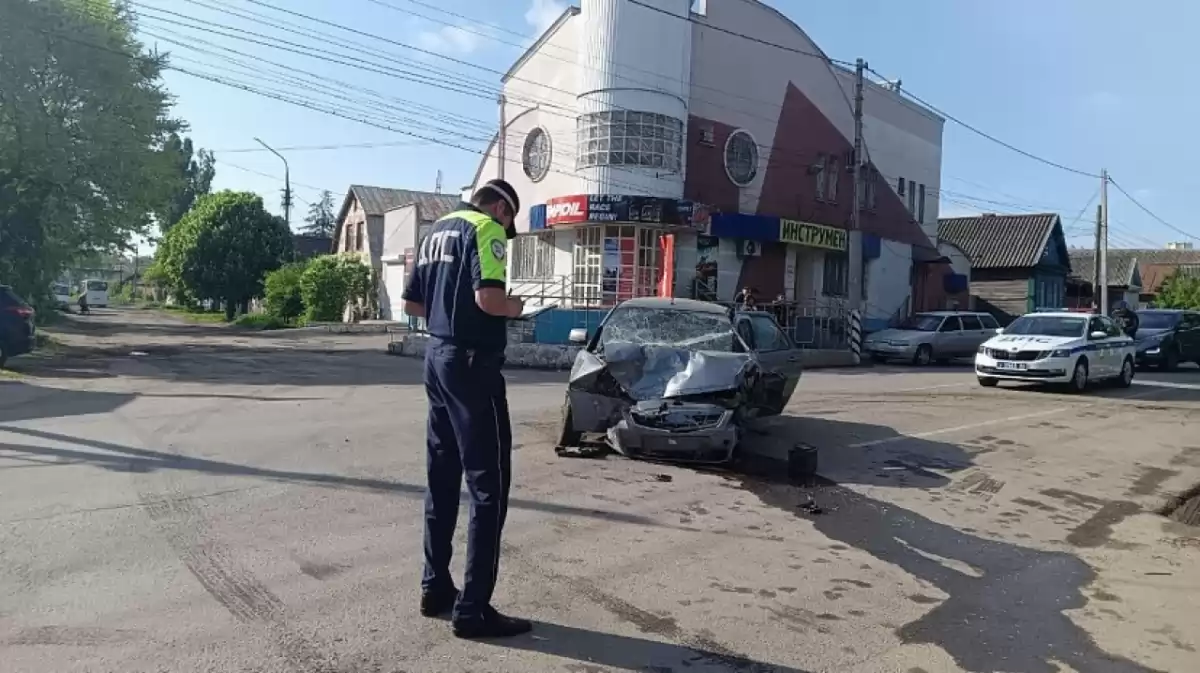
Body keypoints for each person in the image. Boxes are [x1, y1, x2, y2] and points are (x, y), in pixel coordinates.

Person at [401, 179, 531, 640]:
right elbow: (489, 298)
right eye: (509, 221)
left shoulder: (434, 231)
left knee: (441, 475)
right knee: (488, 485)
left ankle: (435, 587)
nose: (506, 230)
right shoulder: (486, 229)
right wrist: (515, 307)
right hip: (474, 365)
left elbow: (413, 302)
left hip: (436, 359)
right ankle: (474, 609)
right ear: (501, 208)